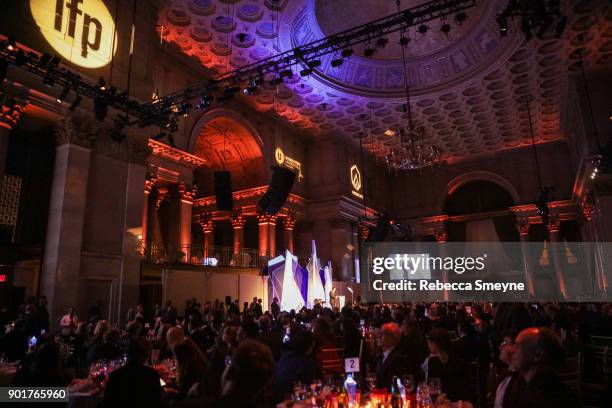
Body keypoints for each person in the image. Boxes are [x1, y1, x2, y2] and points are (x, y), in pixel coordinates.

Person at [508, 327, 580, 408]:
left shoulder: (537, 399)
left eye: (517, 346)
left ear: (538, 355)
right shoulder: (555, 387)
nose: (511, 350)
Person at [102, 337, 163, 407]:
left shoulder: (115, 375)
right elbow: (157, 402)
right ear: (146, 355)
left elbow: (106, 403)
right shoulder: (152, 374)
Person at [422, 328, 469, 402]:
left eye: (429, 342)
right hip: (447, 401)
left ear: (434, 343)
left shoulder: (432, 361)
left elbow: (429, 386)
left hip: (450, 402)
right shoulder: (457, 360)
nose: (428, 345)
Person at [375, 322, 409, 390]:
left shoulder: (398, 358)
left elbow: (393, 386)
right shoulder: (381, 355)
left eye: (383, 333)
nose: (379, 336)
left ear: (393, 337)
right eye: (379, 333)